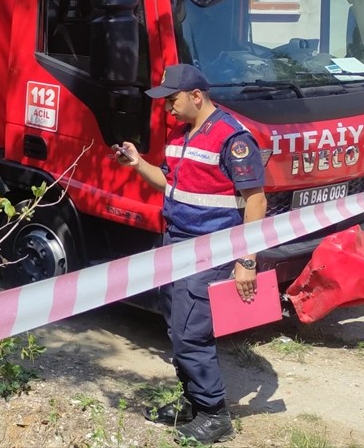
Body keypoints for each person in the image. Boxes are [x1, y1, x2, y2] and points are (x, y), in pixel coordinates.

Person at [114, 63, 265, 444]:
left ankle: (214, 415)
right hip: (175, 244)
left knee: (191, 334)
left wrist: (246, 261)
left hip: (209, 251)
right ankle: (193, 402)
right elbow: (170, 183)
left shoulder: (233, 138)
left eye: (173, 101)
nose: (168, 109)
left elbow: (257, 201)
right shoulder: (182, 136)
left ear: (197, 96)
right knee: (176, 327)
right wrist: (137, 164)